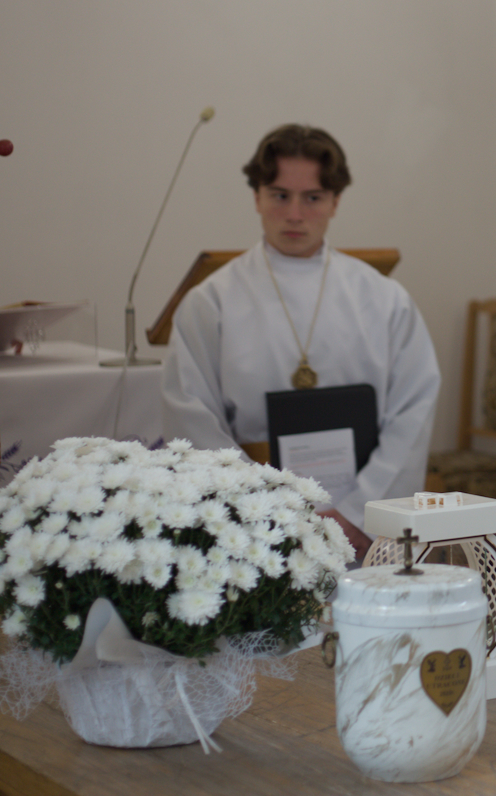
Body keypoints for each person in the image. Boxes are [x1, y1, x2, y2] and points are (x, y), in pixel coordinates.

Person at [161, 124, 440, 559]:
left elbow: (414, 409)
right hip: (255, 529)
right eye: (279, 195)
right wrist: (263, 510)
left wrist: (359, 513)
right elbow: (192, 418)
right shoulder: (211, 302)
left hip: (364, 524)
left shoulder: (384, 299)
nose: (294, 214)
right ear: (257, 197)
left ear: (335, 202)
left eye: (312, 198)